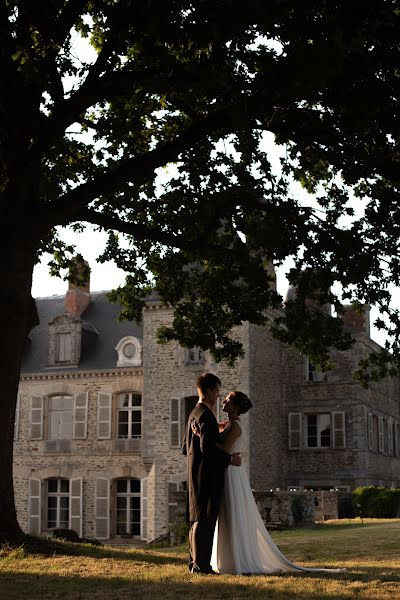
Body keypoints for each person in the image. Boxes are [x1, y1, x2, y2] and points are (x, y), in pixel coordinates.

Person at [210, 391, 344, 575]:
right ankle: (229, 557)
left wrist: (204, 442)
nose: (224, 401)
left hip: (231, 472)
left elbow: (224, 449)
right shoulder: (229, 425)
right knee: (228, 512)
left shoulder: (235, 427)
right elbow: (216, 429)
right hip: (231, 469)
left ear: (236, 406)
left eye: (228, 400)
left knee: (231, 511)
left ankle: (235, 559)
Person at [183, 373, 242, 574]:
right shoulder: (206, 416)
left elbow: (185, 448)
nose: (218, 396)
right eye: (217, 391)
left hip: (194, 472)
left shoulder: (194, 413)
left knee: (196, 520)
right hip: (208, 475)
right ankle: (202, 566)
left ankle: (194, 563)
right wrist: (229, 459)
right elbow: (208, 448)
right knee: (206, 521)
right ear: (208, 390)